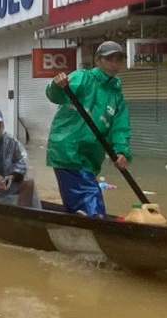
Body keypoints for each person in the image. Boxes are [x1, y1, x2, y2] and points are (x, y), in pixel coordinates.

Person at [46, 41, 132, 218]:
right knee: (91, 197)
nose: (115, 63)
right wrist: (57, 84)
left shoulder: (116, 96)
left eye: (119, 59)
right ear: (98, 60)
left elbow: (120, 128)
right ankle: (95, 224)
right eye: (109, 59)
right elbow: (55, 95)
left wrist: (121, 152)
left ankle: (84, 223)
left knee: (83, 201)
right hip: (67, 150)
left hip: (91, 157)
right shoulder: (83, 78)